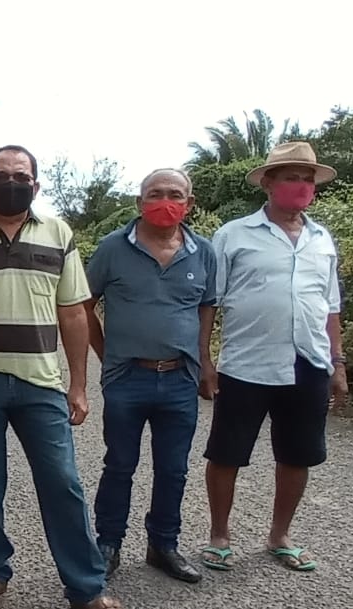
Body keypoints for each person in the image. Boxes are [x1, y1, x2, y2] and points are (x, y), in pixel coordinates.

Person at [0, 145, 135, 609]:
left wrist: (79, 385)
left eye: (20, 175)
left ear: (36, 185)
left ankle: (87, 589)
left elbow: (73, 313)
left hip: (41, 384)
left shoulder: (59, 233)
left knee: (63, 483)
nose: (10, 182)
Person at [200, 141, 348, 573]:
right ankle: (219, 536)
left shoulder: (322, 239)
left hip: (309, 362)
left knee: (297, 453)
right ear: (268, 183)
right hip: (247, 363)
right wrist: (205, 361)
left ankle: (280, 535)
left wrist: (337, 364)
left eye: (307, 180)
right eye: (291, 178)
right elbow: (210, 301)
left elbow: (330, 306)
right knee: (227, 452)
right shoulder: (233, 235)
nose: (301, 187)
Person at [83, 169, 216, 584]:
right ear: (140, 202)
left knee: (174, 468)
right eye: (154, 194)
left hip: (179, 380)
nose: (165, 201)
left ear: (189, 204)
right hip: (127, 377)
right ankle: (108, 543)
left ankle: (164, 544)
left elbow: (207, 307)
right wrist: (106, 358)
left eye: (174, 194)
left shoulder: (203, 253)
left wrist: (203, 361)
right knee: (119, 464)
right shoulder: (112, 248)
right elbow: (83, 305)